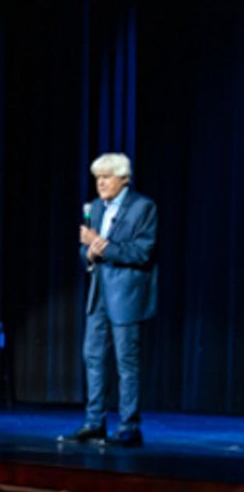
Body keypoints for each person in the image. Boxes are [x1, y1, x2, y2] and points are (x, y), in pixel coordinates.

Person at [63, 152, 158, 448]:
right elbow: (88, 252)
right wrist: (88, 253)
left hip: (126, 295)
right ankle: (94, 423)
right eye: (97, 178)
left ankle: (130, 426)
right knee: (92, 357)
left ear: (124, 179)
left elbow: (141, 252)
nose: (101, 183)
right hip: (98, 295)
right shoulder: (97, 209)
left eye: (107, 177)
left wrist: (98, 246)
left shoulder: (143, 207)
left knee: (126, 363)